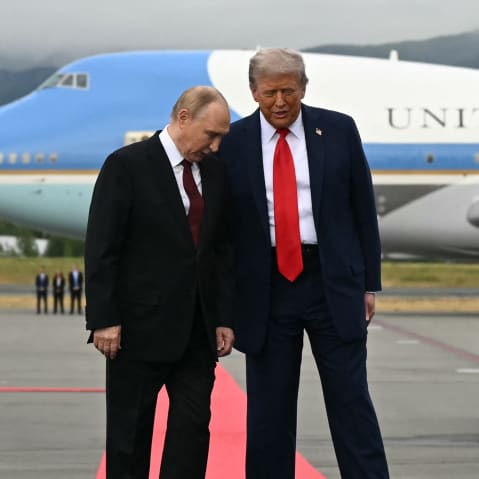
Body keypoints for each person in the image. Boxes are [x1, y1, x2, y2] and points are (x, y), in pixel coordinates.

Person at [219, 48, 390, 479]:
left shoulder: (337, 130)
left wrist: (368, 283)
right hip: (266, 289)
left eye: (289, 92)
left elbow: (361, 210)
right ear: (253, 92)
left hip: (331, 282)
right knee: (269, 409)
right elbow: (223, 233)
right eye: (270, 92)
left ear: (303, 88)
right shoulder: (233, 143)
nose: (280, 102)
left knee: (351, 400)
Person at [84, 85, 234, 479]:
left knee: (191, 434)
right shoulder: (127, 165)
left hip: (197, 333)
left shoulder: (217, 173)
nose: (216, 147)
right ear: (184, 118)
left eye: (222, 137)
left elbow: (221, 251)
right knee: (130, 436)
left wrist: (224, 316)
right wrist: (103, 318)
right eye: (211, 135)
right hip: (136, 330)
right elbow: (102, 247)